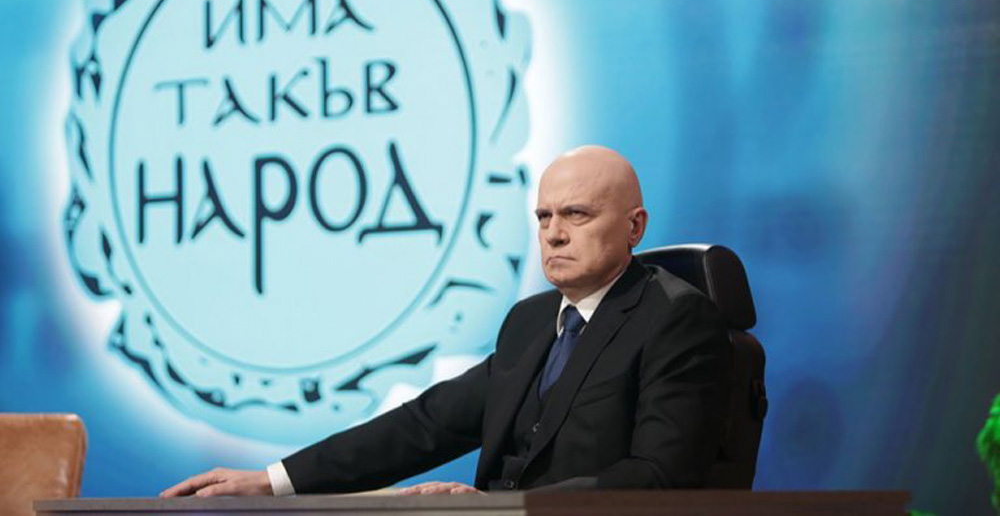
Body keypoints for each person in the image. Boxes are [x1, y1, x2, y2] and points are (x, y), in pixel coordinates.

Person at [161, 146, 731, 497]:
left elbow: (659, 476)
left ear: (635, 227)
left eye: (576, 214)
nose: (554, 234)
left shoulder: (676, 319)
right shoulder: (530, 321)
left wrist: (500, 509)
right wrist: (273, 481)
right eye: (543, 216)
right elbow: (425, 425)